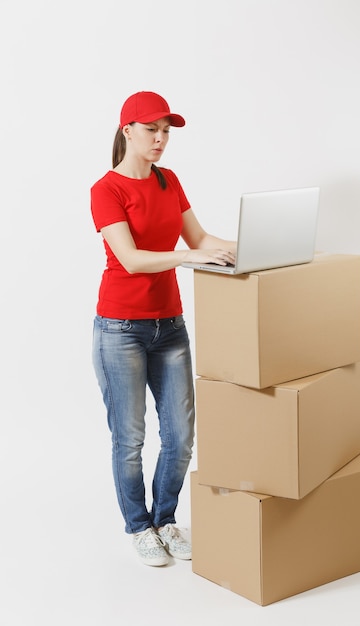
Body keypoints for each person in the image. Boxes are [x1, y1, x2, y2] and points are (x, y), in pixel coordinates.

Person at [91, 91, 236, 567]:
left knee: (180, 436)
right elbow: (131, 259)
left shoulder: (169, 180)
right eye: (152, 129)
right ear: (127, 130)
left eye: (167, 131)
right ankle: (139, 525)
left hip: (169, 327)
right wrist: (188, 257)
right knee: (129, 437)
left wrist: (249, 245)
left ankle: (166, 519)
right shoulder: (106, 190)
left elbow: (199, 238)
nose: (160, 139)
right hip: (120, 329)